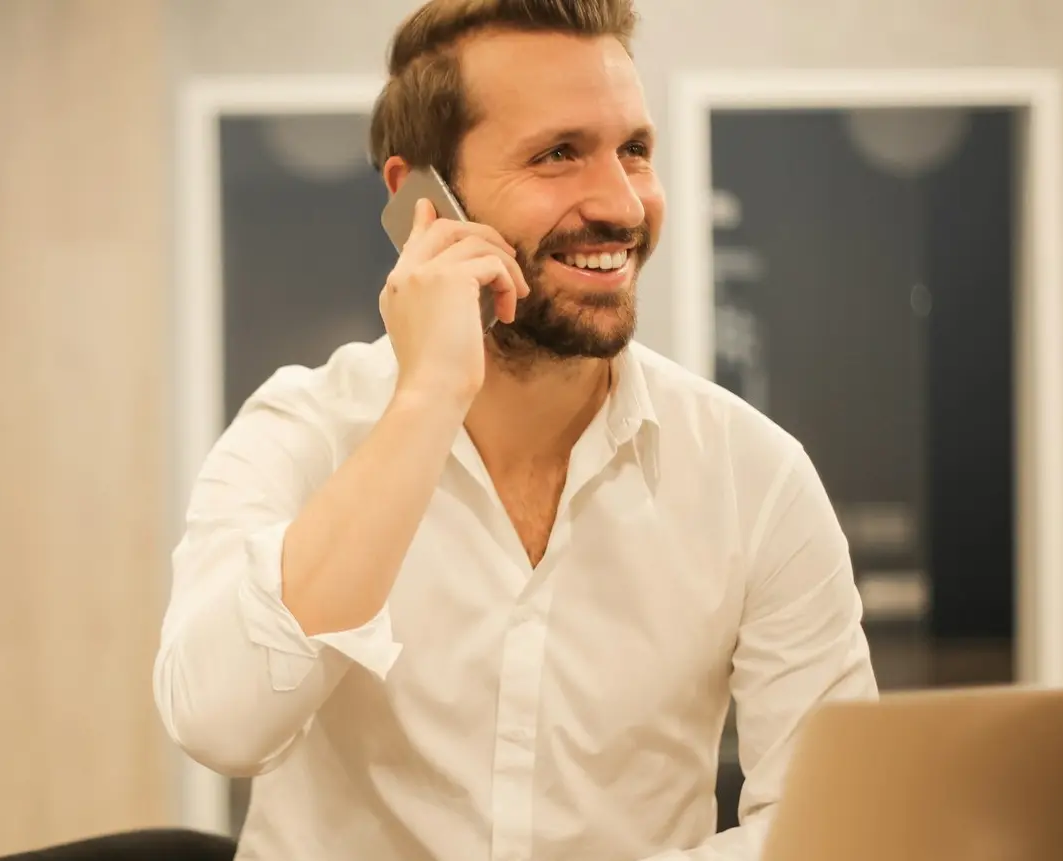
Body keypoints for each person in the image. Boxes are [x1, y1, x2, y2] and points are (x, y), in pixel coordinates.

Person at [154, 1, 878, 858]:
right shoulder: (301, 430)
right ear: (421, 201)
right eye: (557, 154)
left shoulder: (754, 476)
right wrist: (427, 398)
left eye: (633, 150)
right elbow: (221, 725)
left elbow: (833, 828)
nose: (621, 204)